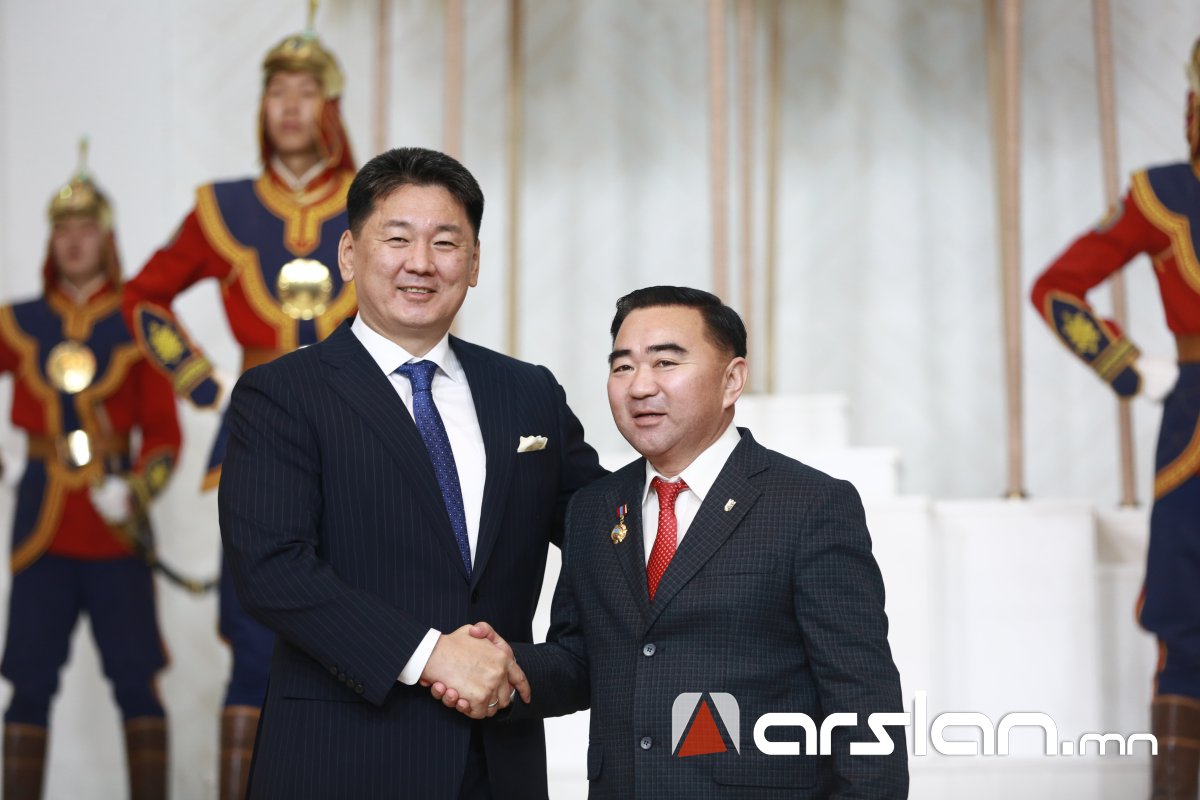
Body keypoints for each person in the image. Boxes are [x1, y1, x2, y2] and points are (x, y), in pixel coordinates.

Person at [217, 146, 606, 799]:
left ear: (474, 263)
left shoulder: (527, 393)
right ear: (349, 254)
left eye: (446, 242)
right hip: (342, 760)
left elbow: (603, 528)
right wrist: (431, 655)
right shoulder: (282, 393)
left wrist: (546, 664)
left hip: (498, 760)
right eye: (397, 238)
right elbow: (272, 570)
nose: (421, 262)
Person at [438, 286, 908, 798]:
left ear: (732, 379)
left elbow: (864, 705)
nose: (640, 386)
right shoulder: (594, 509)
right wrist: (506, 667)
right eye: (623, 367)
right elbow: (582, 660)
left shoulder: (808, 504)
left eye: (665, 362)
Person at [119, 12, 356, 796]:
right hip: (258, 437)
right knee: (255, 639)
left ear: (330, 105)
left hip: (363, 438)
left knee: (366, 633)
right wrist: (199, 379)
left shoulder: (376, 200)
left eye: (306, 91)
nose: (289, 106)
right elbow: (143, 296)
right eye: (276, 91)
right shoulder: (222, 207)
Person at [1030, 37, 1200, 800]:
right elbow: (1057, 288)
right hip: (1196, 425)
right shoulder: (1165, 194)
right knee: (1185, 614)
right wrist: (1128, 368)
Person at [0, 144, 182, 800]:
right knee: (28, 682)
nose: (74, 241)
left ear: (106, 239)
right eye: (63, 230)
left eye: (86, 229)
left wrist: (136, 489)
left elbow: (164, 435)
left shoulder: (138, 323)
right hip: (41, 529)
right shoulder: (19, 321)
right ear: (52, 241)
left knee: (137, 682)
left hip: (115, 530)